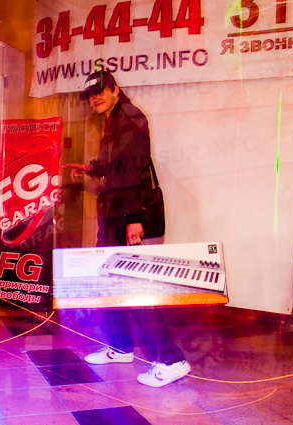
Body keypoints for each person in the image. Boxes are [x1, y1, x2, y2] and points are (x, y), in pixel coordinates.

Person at [64, 70, 191, 387]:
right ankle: (121, 347)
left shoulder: (130, 117)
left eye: (100, 91)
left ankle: (172, 360)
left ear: (115, 90)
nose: (95, 98)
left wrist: (134, 217)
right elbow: (115, 163)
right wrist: (91, 167)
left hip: (125, 215)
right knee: (110, 282)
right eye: (91, 95)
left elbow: (135, 169)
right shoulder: (113, 120)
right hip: (112, 214)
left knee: (136, 287)